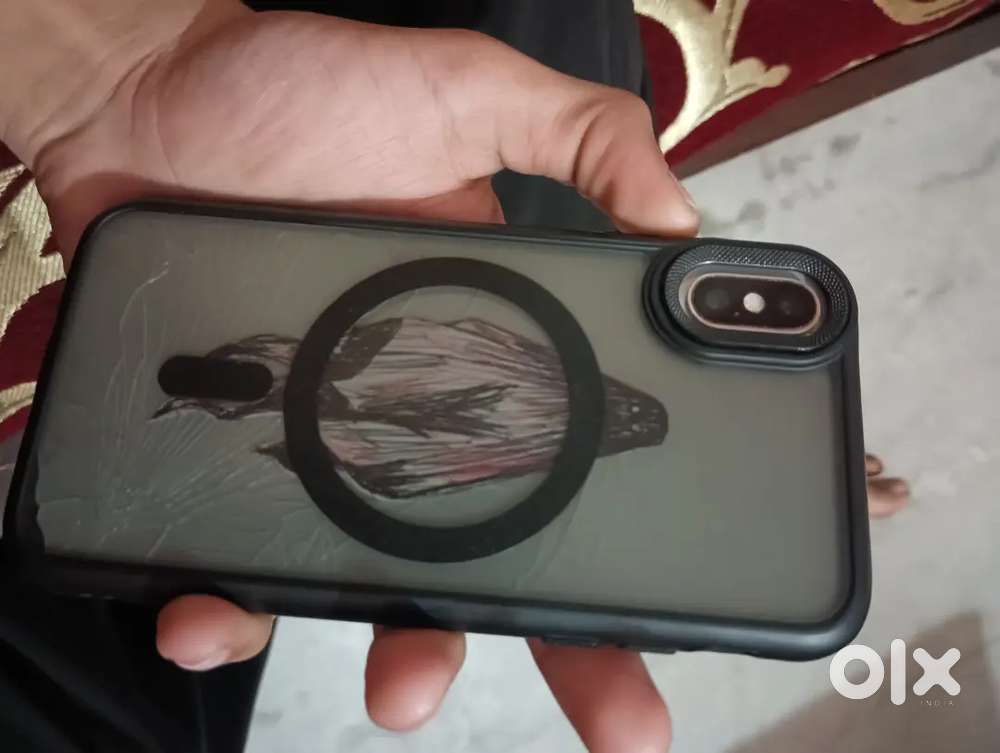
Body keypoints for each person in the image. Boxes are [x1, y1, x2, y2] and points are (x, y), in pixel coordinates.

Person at [0, 2, 909, 751]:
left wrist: (106, 74)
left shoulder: (541, 411)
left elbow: (434, 422)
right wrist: (118, 72)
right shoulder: (539, 406)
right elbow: (434, 416)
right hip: (381, 360)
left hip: (378, 374)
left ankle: (763, 444)